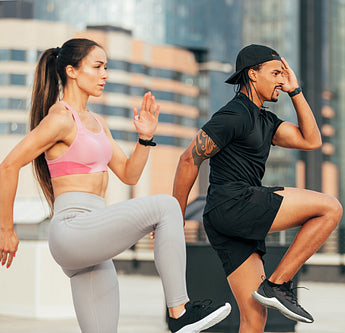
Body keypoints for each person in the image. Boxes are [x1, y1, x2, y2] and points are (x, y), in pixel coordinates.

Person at [0, 38, 231, 333]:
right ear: (71, 71)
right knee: (167, 206)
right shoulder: (60, 118)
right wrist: (6, 229)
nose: (105, 74)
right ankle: (179, 311)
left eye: (106, 67)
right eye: (97, 67)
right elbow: (8, 165)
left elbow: (128, 174)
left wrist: (145, 139)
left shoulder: (97, 122)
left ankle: (178, 314)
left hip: (92, 241)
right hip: (73, 229)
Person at [172, 44, 343, 332]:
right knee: (330, 208)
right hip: (233, 203)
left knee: (254, 319)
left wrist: (295, 91)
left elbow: (311, 141)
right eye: (275, 73)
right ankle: (277, 284)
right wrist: (174, 216)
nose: (281, 79)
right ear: (253, 74)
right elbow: (189, 158)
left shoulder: (265, 120)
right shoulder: (235, 114)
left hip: (225, 219)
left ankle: (273, 287)